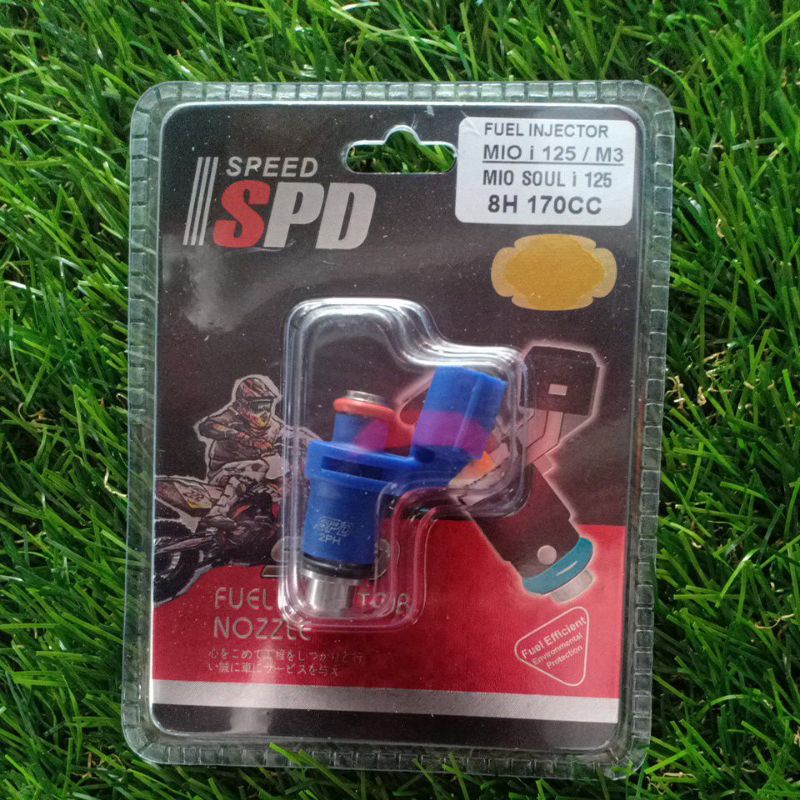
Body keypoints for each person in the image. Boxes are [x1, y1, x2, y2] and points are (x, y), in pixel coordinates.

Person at [196, 375, 283, 524]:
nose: (264, 412)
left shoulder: (275, 426)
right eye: (258, 406)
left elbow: (292, 435)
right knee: (258, 466)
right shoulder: (231, 417)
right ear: (242, 405)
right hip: (224, 475)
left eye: (267, 406)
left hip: (258, 479)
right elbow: (206, 427)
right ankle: (217, 512)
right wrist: (244, 438)